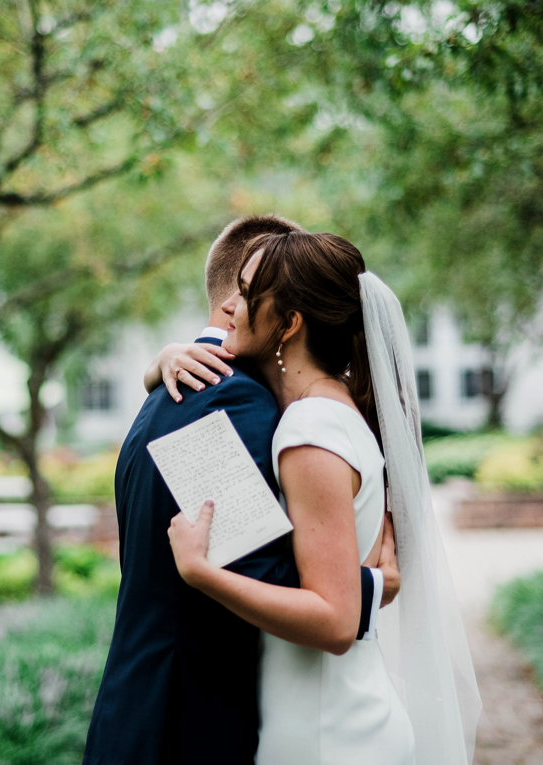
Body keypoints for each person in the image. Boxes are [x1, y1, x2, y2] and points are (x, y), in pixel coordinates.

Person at [82, 215, 402, 765]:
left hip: (150, 712)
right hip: (184, 724)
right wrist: (375, 584)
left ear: (287, 318)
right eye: (246, 291)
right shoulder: (227, 403)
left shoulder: (173, 396)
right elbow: (275, 579)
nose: (237, 309)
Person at [166, 230, 482, 765]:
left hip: (327, 735)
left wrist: (202, 573)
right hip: (334, 719)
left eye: (245, 294)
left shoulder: (308, 430)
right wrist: (166, 360)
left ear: (289, 324)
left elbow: (334, 621)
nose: (228, 306)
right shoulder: (337, 410)